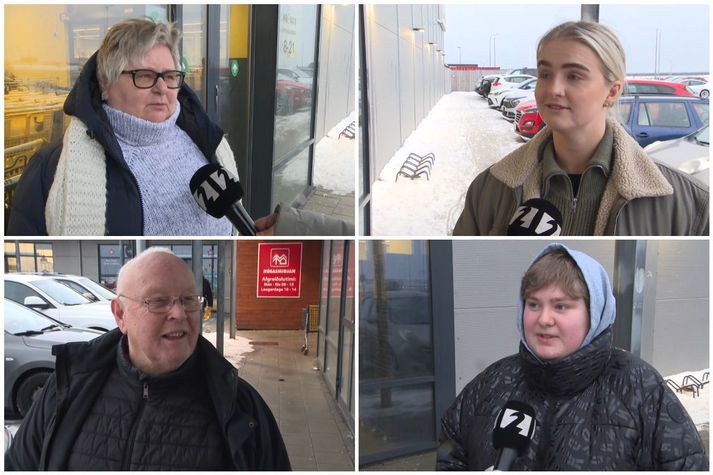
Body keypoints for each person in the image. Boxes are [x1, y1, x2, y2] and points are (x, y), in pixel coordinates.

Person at [6, 18, 354, 237]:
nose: (162, 88)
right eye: (144, 75)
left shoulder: (206, 140)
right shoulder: (52, 170)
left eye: (171, 76)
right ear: (105, 84)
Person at [5, 248, 291, 470]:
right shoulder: (68, 387)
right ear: (120, 314)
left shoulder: (240, 408)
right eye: (158, 301)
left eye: (189, 300)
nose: (179, 313)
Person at [437, 243, 708, 470]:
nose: (544, 319)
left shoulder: (640, 387)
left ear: (595, 312)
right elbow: (450, 456)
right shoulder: (490, 383)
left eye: (561, 306)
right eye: (533, 304)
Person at [453, 21, 708, 236]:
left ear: (612, 91)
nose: (554, 89)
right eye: (545, 74)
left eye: (573, 76)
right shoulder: (490, 189)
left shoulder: (688, 205)